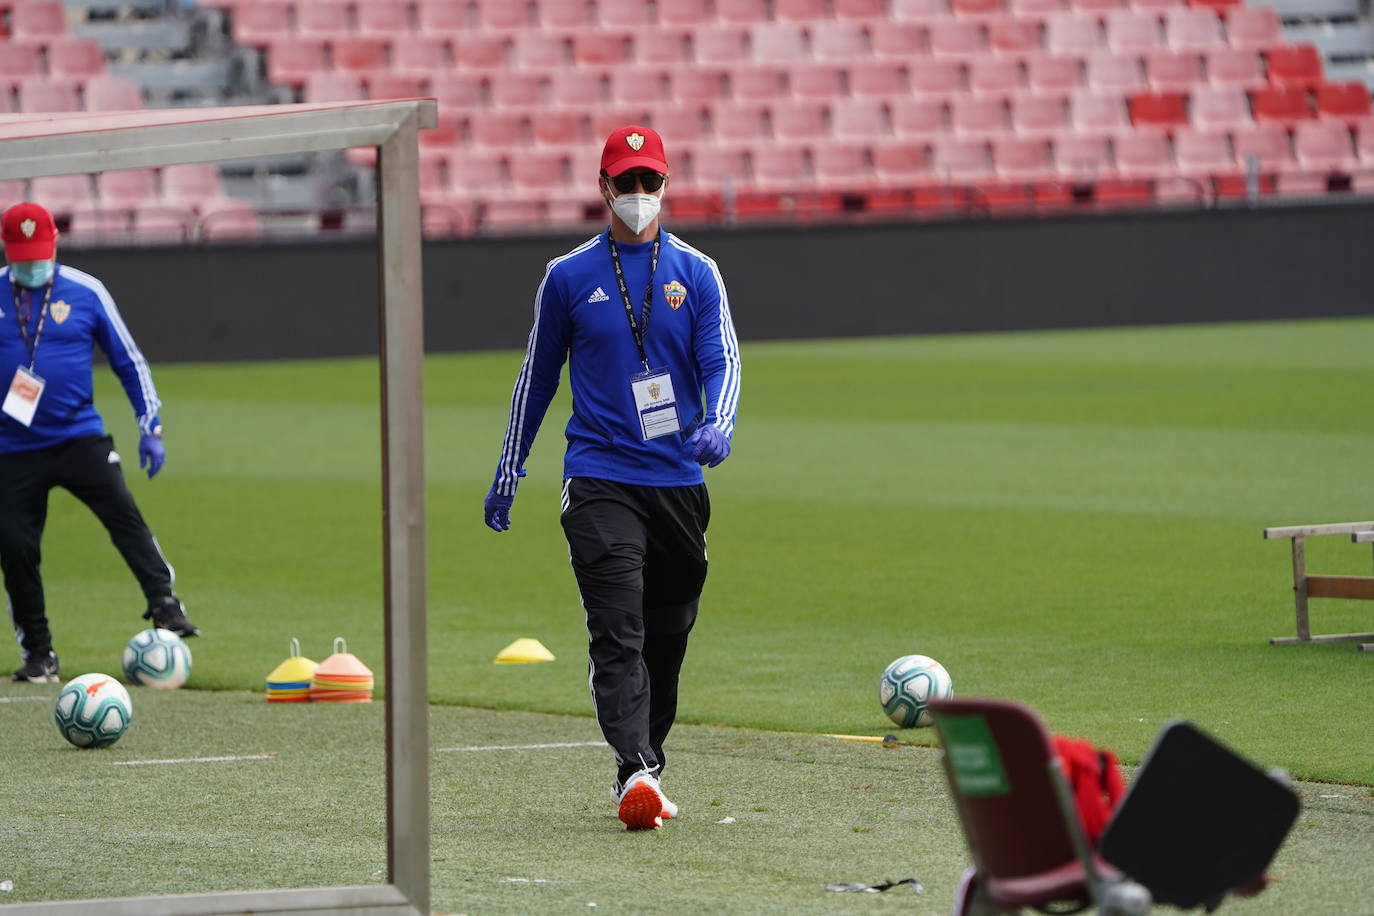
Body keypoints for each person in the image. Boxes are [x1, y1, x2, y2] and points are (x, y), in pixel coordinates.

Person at [483, 126, 742, 831]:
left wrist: (719, 422)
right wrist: (509, 467)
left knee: (669, 635)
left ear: (665, 184)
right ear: (603, 187)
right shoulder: (567, 276)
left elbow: (723, 360)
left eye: (648, 180)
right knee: (619, 629)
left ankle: (646, 760)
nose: (637, 193)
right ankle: (634, 767)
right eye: (625, 181)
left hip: (677, 480)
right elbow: (536, 377)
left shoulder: (698, 272)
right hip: (598, 477)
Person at [1, 201, 198, 684]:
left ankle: (165, 603)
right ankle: (39, 653)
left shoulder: (87, 291)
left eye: (39, 254)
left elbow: (130, 361)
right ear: (7, 250)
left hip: (78, 435)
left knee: (123, 514)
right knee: (15, 547)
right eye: (23, 257)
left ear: (55, 245)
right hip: (10, 447)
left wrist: (150, 426)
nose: (32, 265)